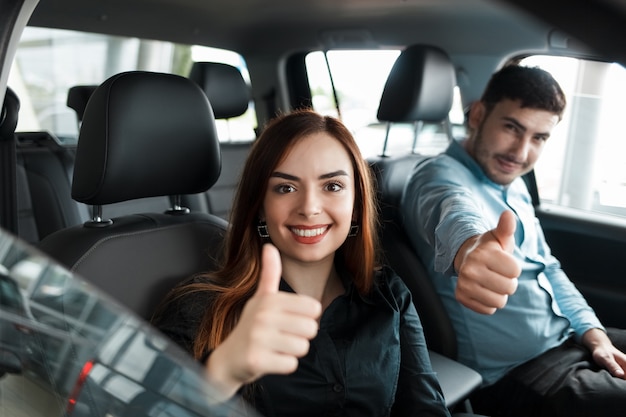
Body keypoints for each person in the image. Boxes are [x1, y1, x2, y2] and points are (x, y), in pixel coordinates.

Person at [152, 109, 450, 417]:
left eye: (332, 186)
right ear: (260, 208)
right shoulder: (200, 307)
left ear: (357, 205)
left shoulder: (389, 294)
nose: (309, 208)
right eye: (285, 188)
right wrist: (220, 375)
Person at [400, 64, 626, 416]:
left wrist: (594, 334)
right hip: (521, 374)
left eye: (539, 138)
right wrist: (470, 248)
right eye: (511, 127)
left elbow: (548, 267)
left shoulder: (513, 182)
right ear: (477, 115)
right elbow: (453, 212)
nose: (521, 153)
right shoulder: (435, 177)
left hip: (571, 340)